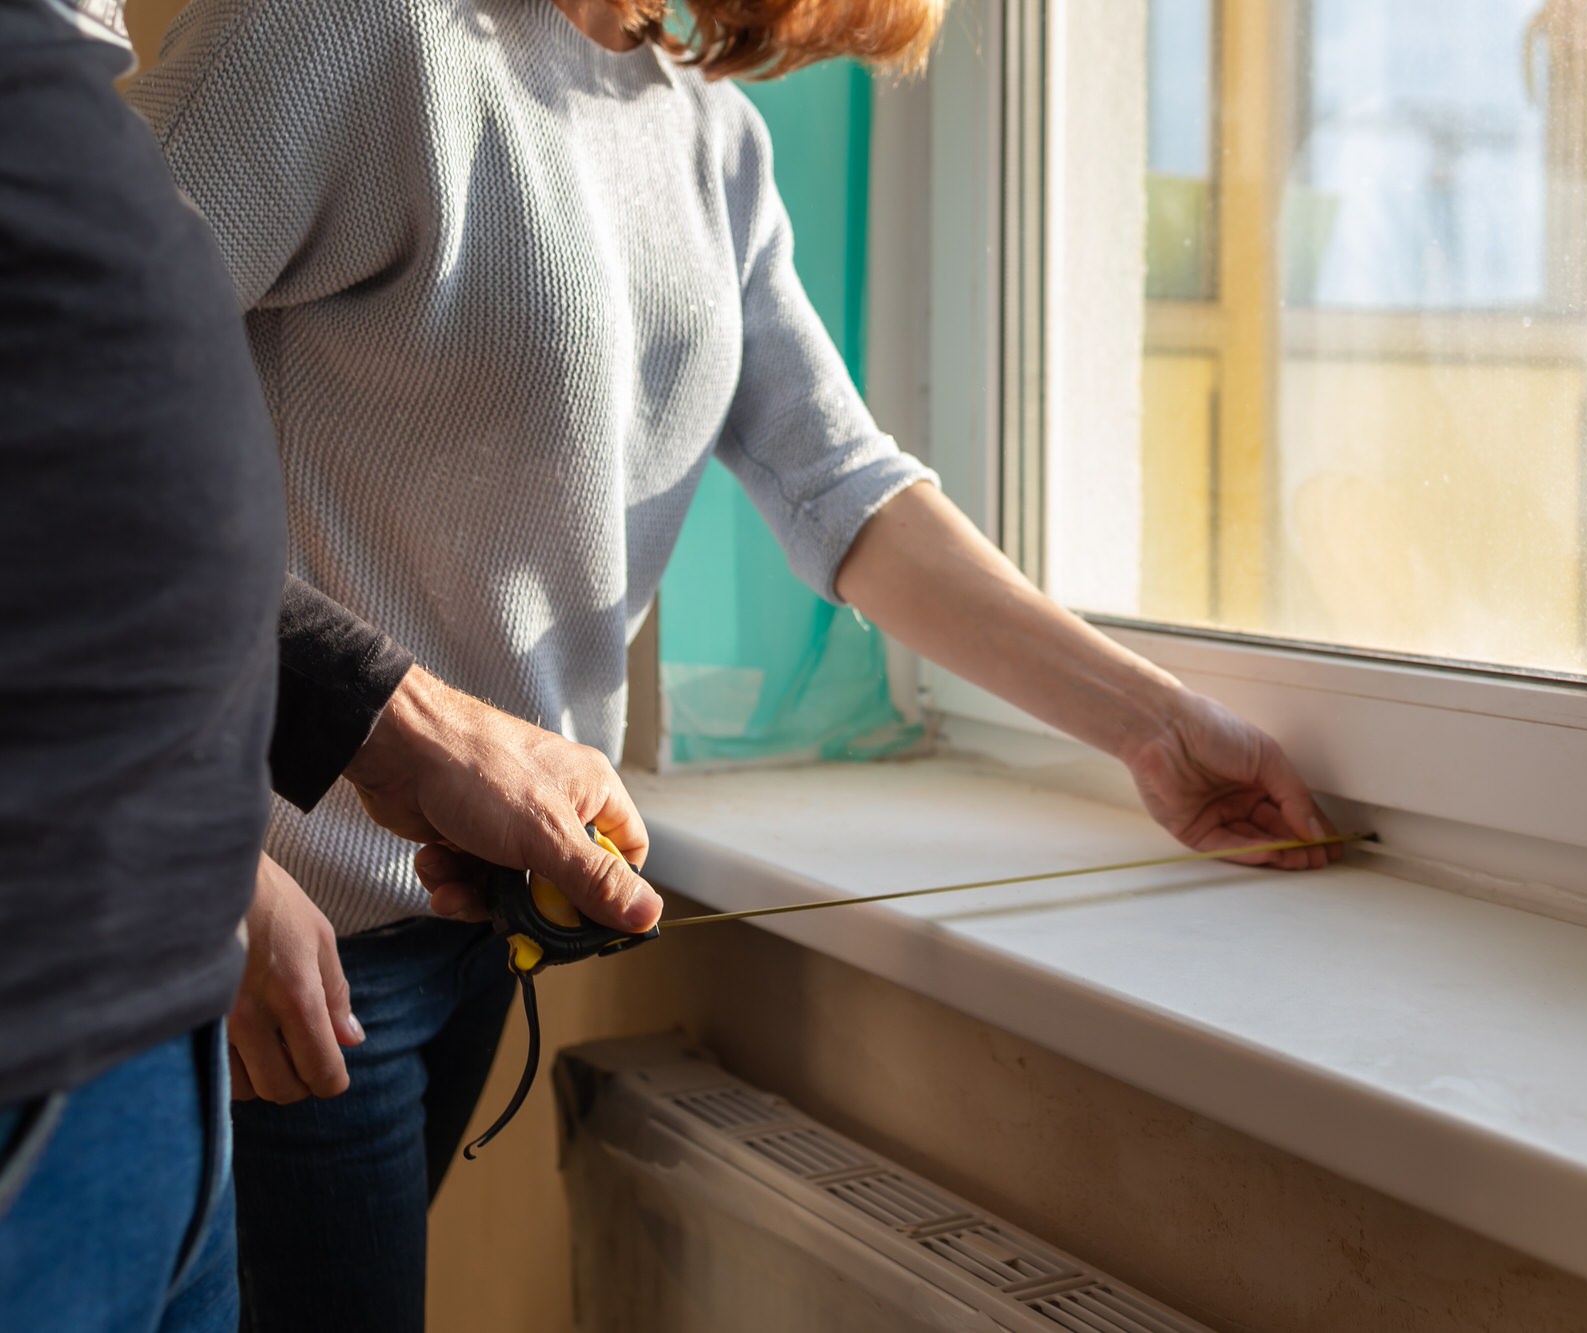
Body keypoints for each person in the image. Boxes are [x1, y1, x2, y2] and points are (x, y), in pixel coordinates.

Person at [128, 0, 1338, 1327]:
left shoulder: (707, 133)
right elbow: (58, 414)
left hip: (468, 927)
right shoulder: (341, 36)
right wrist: (204, 864)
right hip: (265, 921)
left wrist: (1152, 722)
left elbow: (841, 485)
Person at [0, 2, 663, 1328]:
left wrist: (390, 723)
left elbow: (106, 493)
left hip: (150, 1028)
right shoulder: (337, 34)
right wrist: (242, 851)